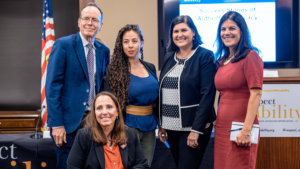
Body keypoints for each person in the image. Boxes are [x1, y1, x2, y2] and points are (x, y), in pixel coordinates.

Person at [45, 2, 110, 169]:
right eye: (86, 19)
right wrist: (57, 124)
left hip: (94, 122)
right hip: (68, 124)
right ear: (79, 22)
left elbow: (103, 87)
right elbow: (52, 87)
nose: (90, 23)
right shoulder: (63, 45)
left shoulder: (104, 51)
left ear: (100, 25)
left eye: (94, 20)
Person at [158, 15, 216, 169]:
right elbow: (162, 92)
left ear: (193, 32)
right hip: (171, 128)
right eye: (175, 31)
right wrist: (162, 124)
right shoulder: (169, 57)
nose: (179, 34)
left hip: (193, 127)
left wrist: (196, 130)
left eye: (184, 30)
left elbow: (207, 95)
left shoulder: (204, 55)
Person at [101, 24, 159, 166]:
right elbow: (109, 102)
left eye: (134, 41)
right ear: (121, 45)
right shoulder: (113, 70)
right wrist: (113, 130)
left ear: (142, 42)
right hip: (126, 127)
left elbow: (157, 99)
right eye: (126, 42)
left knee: (145, 165)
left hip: (150, 127)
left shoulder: (150, 67)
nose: (130, 46)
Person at [214, 11, 263, 169]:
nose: (227, 33)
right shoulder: (222, 61)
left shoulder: (251, 56)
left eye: (232, 28)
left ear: (242, 31)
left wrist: (246, 130)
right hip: (222, 128)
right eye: (223, 29)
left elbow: (256, 94)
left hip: (241, 129)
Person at [67, 92, 149, 169]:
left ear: (117, 112)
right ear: (94, 113)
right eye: (99, 108)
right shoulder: (84, 136)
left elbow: (142, 164)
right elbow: (73, 167)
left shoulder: (130, 133)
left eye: (109, 107)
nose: (104, 112)